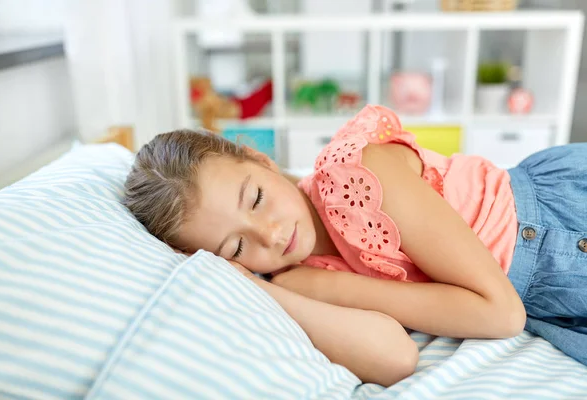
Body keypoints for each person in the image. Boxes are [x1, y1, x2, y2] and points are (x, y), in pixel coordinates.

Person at [123, 104, 587, 386]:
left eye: (258, 199)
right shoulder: (297, 277)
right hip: (553, 297)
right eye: (236, 248)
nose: (269, 235)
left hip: (560, 227)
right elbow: (395, 358)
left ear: (261, 159)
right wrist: (267, 290)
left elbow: (501, 315)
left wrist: (330, 293)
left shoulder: (354, 176)